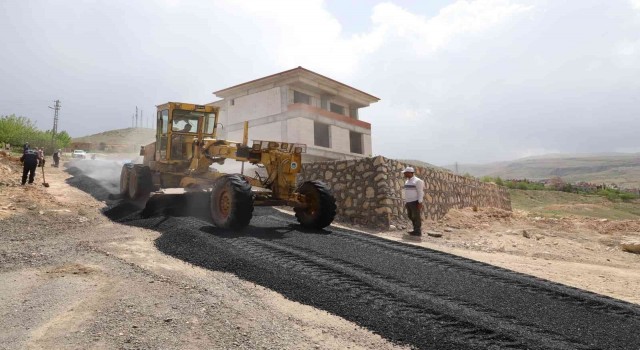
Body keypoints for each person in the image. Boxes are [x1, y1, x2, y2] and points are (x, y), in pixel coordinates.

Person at [402, 167, 425, 237]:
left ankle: (417, 231)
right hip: (408, 202)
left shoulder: (418, 181)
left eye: (405, 173)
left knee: (416, 217)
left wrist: (420, 202)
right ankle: (415, 229)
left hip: (415, 202)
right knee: (410, 216)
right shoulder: (407, 181)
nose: (404, 174)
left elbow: (420, 192)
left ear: (410, 173)